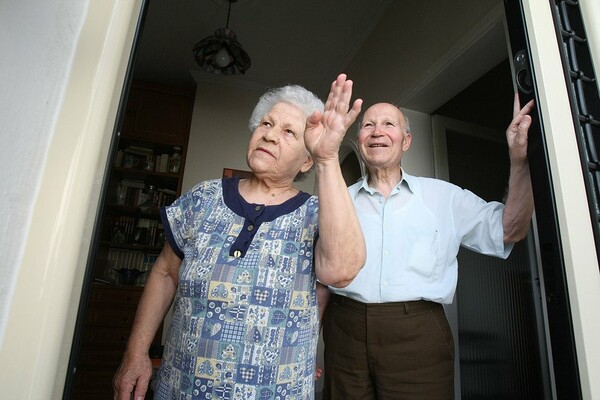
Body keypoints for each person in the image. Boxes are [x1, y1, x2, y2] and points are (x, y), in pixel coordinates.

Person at [112, 74, 366, 400]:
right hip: (181, 387)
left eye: (289, 131)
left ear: (306, 159)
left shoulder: (318, 214)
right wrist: (136, 352)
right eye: (265, 124)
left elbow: (342, 269)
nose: (270, 135)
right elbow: (164, 272)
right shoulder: (203, 197)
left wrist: (327, 158)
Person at [322, 94, 535, 400]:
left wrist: (519, 161)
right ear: (359, 140)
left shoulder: (445, 197)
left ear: (406, 141)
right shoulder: (336, 201)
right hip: (344, 329)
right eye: (368, 125)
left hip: (419, 334)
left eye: (388, 124)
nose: (377, 131)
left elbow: (509, 230)